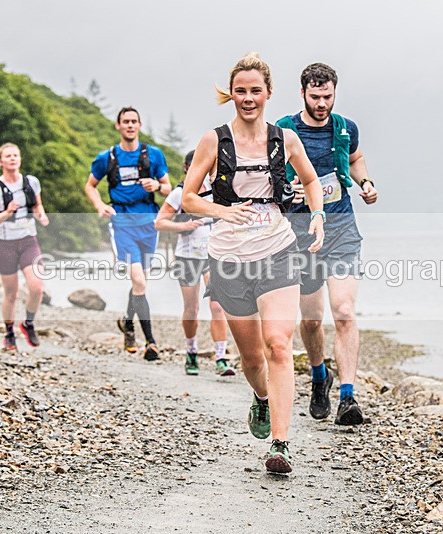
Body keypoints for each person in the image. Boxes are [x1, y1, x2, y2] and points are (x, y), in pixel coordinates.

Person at [182, 53, 325, 474]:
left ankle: (280, 444)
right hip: (228, 259)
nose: (248, 98)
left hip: (277, 250)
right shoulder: (214, 140)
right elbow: (189, 197)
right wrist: (221, 211)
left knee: (278, 344)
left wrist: (317, 214)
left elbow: (311, 180)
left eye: (255, 91)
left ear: (268, 93)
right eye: (240, 91)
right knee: (251, 359)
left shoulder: (285, 139)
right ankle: (261, 398)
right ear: (231, 94)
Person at [276, 63, 379, 426]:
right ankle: (320, 376)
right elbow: (270, 173)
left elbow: (355, 158)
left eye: (328, 96)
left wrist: (365, 183)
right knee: (310, 319)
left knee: (345, 310)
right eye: (315, 96)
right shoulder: (284, 129)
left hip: (341, 227)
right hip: (300, 232)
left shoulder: (345, 128)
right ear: (303, 93)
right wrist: (286, 190)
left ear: (335, 93)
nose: (322, 104)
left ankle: (348, 397)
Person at [85, 106, 172, 361]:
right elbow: (90, 186)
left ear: (139, 125)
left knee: (139, 283)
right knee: (140, 281)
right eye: (126, 121)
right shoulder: (107, 157)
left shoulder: (153, 154)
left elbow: (168, 187)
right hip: (122, 222)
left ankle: (127, 322)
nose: (130, 125)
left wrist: (156, 185)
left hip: (149, 223)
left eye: (134, 121)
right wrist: (99, 205)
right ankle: (151, 342)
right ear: (118, 126)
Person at [154, 150, 234, 377]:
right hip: (187, 256)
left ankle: (221, 358)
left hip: (213, 254)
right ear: (187, 168)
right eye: (195, 165)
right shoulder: (179, 194)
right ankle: (191, 352)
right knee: (191, 309)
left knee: (217, 306)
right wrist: (183, 226)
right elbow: (159, 223)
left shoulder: (216, 190)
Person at [0, 143, 50, 351]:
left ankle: (28, 323)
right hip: (5, 244)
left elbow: (37, 205)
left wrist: (41, 216)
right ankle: (9, 333)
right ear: (0, 161)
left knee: (37, 287)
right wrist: (7, 213)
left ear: (20, 159)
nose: (12, 158)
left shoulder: (31, 182)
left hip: (29, 240)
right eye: (8, 156)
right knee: (11, 293)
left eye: (15, 155)